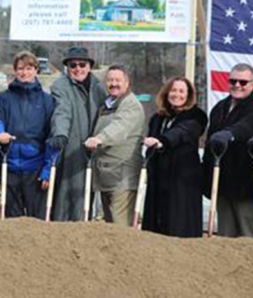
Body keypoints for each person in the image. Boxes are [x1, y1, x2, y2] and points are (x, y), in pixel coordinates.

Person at [0, 51, 54, 219]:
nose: (24, 73)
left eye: (29, 68)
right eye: (20, 69)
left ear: (36, 70)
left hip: (35, 168)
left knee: (36, 219)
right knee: (12, 219)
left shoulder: (47, 101)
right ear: (15, 71)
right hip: (9, 165)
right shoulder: (4, 98)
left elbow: (52, 138)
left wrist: (47, 170)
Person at [142, 77, 207, 237]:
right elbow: (150, 141)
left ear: (188, 95)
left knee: (178, 226)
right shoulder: (157, 118)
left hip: (182, 181)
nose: (176, 94)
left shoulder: (196, 116)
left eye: (181, 91)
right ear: (166, 93)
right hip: (158, 178)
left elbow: (183, 132)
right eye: (173, 90)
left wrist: (162, 141)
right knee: (155, 226)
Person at [50, 46, 106, 221]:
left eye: (82, 64)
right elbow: (62, 111)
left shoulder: (99, 87)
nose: (78, 69)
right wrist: (60, 134)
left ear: (89, 66)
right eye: (73, 65)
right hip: (71, 149)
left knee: (89, 198)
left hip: (95, 150)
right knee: (67, 197)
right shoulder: (61, 86)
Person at [85, 64, 144, 227]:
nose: (113, 84)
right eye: (110, 80)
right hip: (106, 174)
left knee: (120, 227)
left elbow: (120, 127)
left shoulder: (130, 105)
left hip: (123, 176)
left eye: (118, 80)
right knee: (110, 227)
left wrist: (99, 139)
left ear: (127, 82)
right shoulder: (107, 105)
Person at [203, 63, 253, 237]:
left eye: (243, 82)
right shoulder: (219, 108)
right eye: (233, 81)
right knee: (225, 235)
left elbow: (246, 126)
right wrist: (206, 178)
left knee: (247, 235)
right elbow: (210, 143)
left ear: (252, 84)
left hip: (246, 185)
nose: (237, 85)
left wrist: (229, 134)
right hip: (222, 182)